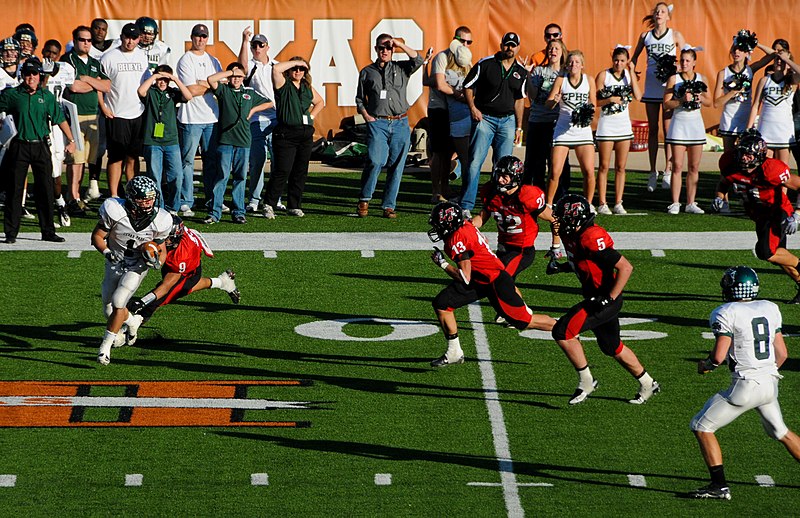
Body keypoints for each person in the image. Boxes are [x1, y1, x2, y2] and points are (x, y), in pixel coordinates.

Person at [690, 266, 800, 500]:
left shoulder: (725, 311)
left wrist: (706, 365)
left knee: (701, 426)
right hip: (770, 382)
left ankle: (718, 486)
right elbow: (782, 353)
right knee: (781, 432)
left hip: (745, 385)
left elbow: (719, 356)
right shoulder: (770, 308)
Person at [547, 194, 660, 405]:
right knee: (612, 346)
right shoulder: (570, 233)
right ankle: (648, 383)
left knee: (562, 331)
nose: (559, 221)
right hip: (596, 295)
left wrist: (609, 298)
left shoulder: (591, 236)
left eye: (563, 217)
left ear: (575, 218)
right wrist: (561, 268)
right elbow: (583, 263)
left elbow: (625, 267)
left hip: (604, 298)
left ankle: (586, 381)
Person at [427, 200, 556, 367]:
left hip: (494, 281)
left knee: (524, 322)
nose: (436, 227)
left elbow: (464, 277)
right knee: (442, 303)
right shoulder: (464, 227)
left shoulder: (456, 239)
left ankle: (563, 327)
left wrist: (443, 264)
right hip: (481, 278)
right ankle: (454, 352)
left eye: (438, 223)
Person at [91, 175, 172, 365]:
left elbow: (162, 251)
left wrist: (156, 261)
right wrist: (107, 253)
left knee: (119, 301)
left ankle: (105, 348)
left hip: (137, 265)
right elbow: (97, 237)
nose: (148, 203)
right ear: (131, 198)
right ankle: (133, 321)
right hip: (115, 262)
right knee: (108, 306)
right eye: (143, 199)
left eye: (151, 198)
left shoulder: (161, 219)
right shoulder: (115, 210)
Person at [712, 129, 800, 303]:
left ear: (759, 155)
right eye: (742, 154)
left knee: (765, 251)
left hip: (777, 211)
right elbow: (723, 184)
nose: (744, 158)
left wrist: (797, 214)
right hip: (759, 215)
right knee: (777, 256)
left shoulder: (772, 169)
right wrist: (719, 197)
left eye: (749, 155)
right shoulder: (730, 163)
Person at [125, 215, 240, 344]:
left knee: (160, 298)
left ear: (175, 237)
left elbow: (166, 286)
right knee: (184, 289)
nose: (162, 239)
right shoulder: (175, 231)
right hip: (190, 262)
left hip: (188, 272)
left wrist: (142, 302)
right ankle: (222, 281)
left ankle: (129, 328)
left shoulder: (180, 255)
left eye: (166, 237)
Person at [0, 58, 76, 244]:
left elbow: (59, 118)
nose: (31, 77)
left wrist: (72, 139)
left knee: (46, 188)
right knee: (15, 190)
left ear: (39, 75)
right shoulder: (12, 95)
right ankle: (11, 232)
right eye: (27, 74)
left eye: (34, 74)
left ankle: (48, 231)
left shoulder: (47, 96)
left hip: (41, 144)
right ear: (22, 76)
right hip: (19, 144)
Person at [355, 34, 422, 219]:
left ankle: (388, 205)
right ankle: (365, 198)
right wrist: (366, 116)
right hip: (379, 122)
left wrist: (400, 44)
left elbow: (418, 59)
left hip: (400, 121)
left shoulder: (402, 68)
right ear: (375, 49)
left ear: (393, 50)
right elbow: (360, 99)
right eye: (381, 48)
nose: (385, 51)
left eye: (388, 48)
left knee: (397, 165)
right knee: (375, 160)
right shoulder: (367, 71)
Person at [460, 32, 527, 218]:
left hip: (507, 121)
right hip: (485, 119)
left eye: (513, 45)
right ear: (501, 44)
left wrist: (519, 126)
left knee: (504, 167)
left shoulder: (521, 71)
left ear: (518, 47)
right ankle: (466, 204)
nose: (510, 48)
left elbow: (520, 99)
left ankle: (499, 204)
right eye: (507, 44)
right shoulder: (486, 64)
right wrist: (472, 108)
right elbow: (467, 86)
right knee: (475, 163)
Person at [205, 63, 271, 224]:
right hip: (225, 140)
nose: (236, 79)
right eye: (234, 76)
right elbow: (211, 79)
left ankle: (238, 212)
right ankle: (215, 212)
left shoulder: (248, 92)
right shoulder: (224, 90)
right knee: (222, 176)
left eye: (239, 76)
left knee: (240, 177)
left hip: (243, 141)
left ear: (244, 78)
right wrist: (229, 72)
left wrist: (254, 110)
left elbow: (269, 103)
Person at [470, 155, 555, 281]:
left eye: (505, 177)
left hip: (521, 250)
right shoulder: (492, 193)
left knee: (499, 279)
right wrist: (466, 227)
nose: (500, 180)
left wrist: (556, 246)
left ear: (515, 177)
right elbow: (482, 217)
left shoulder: (527, 195)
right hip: (503, 247)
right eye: (498, 175)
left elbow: (554, 219)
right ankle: (519, 302)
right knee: (506, 286)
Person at [631, 1, 686, 192]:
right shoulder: (645, 36)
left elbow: (688, 57)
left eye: (663, 12)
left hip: (668, 87)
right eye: (657, 12)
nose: (659, 14)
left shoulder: (675, 35)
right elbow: (634, 58)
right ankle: (653, 171)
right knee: (653, 130)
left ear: (668, 16)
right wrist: (633, 72)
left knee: (668, 130)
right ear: (654, 16)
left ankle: (668, 170)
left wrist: (679, 67)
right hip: (652, 87)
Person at [262, 57, 324, 219]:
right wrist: (298, 62)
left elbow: (320, 102)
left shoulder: (306, 87)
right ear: (289, 70)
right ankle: (269, 203)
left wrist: (311, 116)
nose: (298, 71)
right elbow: (275, 69)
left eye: (301, 69)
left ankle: (294, 205)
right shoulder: (283, 84)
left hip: (304, 134)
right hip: (286, 134)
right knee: (283, 169)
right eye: (295, 68)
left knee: (300, 171)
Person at [61, 25, 110, 217]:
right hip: (75, 114)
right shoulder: (68, 61)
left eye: (89, 40)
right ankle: (73, 197)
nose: (87, 43)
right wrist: (93, 83)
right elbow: (74, 86)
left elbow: (106, 86)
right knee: (76, 160)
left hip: (93, 114)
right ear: (75, 41)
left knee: (87, 158)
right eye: (83, 40)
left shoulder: (95, 62)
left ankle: (76, 196)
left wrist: (88, 79)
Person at [176, 23, 222, 218]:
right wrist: (209, 85)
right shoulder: (185, 60)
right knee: (186, 161)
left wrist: (205, 84)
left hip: (211, 117)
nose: (200, 39)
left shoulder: (214, 60)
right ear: (192, 37)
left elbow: (220, 85)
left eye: (204, 36)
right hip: (190, 118)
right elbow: (190, 91)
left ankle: (212, 199)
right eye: (197, 36)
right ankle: (186, 201)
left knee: (211, 160)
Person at [99, 23, 150, 198]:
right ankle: (113, 195)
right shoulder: (109, 57)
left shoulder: (143, 56)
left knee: (133, 157)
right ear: (121, 37)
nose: (130, 42)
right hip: (116, 113)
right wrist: (103, 107)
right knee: (115, 158)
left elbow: (146, 83)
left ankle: (132, 193)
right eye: (127, 37)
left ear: (139, 39)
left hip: (137, 113)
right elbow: (100, 85)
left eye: (133, 38)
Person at [137, 65, 193, 213]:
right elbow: (140, 91)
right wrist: (154, 77)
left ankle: (173, 206)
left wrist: (175, 79)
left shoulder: (173, 93)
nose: (162, 82)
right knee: (154, 176)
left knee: (176, 176)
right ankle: (159, 207)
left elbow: (188, 96)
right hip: (152, 141)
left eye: (165, 79)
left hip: (171, 141)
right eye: (160, 79)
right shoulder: (151, 92)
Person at [663, 47, 711, 215]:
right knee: (677, 165)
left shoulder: (702, 78)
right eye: (682, 60)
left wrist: (700, 97)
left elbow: (709, 101)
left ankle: (691, 202)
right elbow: (666, 104)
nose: (684, 63)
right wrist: (681, 100)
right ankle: (675, 202)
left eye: (687, 60)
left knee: (694, 166)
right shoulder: (673, 79)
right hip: (679, 124)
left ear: (694, 63)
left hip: (695, 125)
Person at [546, 50, 596, 208]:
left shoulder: (589, 80)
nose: (574, 64)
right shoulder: (561, 80)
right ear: (567, 65)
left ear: (582, 65)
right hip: (562, 130)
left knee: (588, 171)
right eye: (571, 62)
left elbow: (593, 105)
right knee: (555, 172)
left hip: (583, 130)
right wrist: (554, 100)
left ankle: (588, 205)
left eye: (577, 62)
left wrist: (585, 115)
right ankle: (548, 204)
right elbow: (548, 104)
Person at [595, 45, 642, 215]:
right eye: (616, 60)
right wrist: (610, 100)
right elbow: (595, 102)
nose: (618, 63)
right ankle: (602, 202)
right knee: (604, 166)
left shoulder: (628, 76)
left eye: (622, 60)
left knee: (621, 167)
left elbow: (638, 96)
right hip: (607, 125)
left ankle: (618, 202)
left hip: (623, 126)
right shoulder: (604, 75)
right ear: (612, 59)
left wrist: (632, 72)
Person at [428, 26, 473, 204]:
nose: (466, 44)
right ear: (455, 40)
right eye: (462, 41)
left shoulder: (467, 59)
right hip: (439, 109)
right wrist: (460, 96)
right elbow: (440, 84)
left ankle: (445, 187)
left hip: (457, 112)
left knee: (450, 152)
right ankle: (435, 191)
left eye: (469, 42)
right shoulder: (442, 57)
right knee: (439, 152)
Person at [237, 27, 279, 213]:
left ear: (267, 47)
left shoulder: (276, 66)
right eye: (255, 45)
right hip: (257, 119)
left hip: (277, 119)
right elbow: (241, 69)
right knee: (258, 161)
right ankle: (254, 198)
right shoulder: (250, 65)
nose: (257, 48)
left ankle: (274, 198)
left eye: (261, 45)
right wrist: (244, 42)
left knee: (279, 161)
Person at [40, 40, 76, 228]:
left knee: (57, 164)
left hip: (57, 121)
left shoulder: (66, 69)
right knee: (49, 167)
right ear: (43, 52)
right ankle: (58, 202)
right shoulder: (36, 69)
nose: (51, 56)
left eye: (54, 53)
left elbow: (72, 90)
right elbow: (40, 93)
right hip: (40, 121)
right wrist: (44, 74)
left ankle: (59, 201)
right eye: (48, 52)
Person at [524, 38, 569, 191]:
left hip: (557, 122)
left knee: (557, 161)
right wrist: (528, 76)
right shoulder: (539, 71)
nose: (553, 51)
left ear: (562, 52)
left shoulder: (566, 73)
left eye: (556, 48)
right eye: (550, 48)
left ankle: (560, 193)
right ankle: (537, 192)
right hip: (537, 120)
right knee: (536, 160)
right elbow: (533, 96)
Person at [747, 41, 800, 165]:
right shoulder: (764, 80)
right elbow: (755, 106)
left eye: (783, 60)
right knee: (766, 169)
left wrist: (787, 59)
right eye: (777, 59)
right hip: (765, 130)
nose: (779, 62)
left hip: (784, 131)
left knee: (782, 172)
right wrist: (748, 129)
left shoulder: (791, 81)